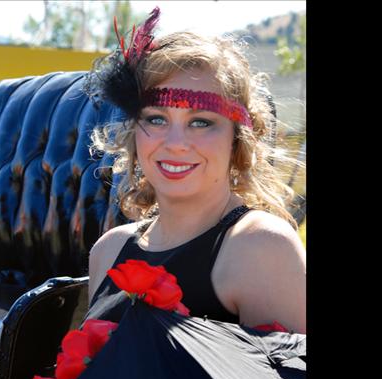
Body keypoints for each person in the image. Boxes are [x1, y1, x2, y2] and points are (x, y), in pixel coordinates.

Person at [84, 7, 306, 334]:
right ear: (133, 133)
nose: (176, 143)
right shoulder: (108, 250)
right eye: (156, 119)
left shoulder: (261, 248)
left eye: (201, 122)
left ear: (237, 139)